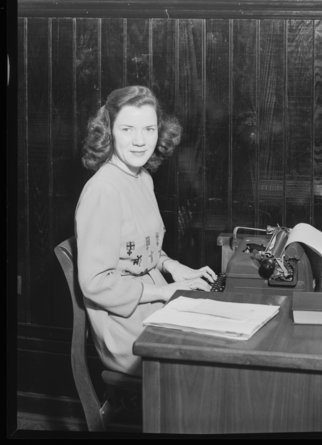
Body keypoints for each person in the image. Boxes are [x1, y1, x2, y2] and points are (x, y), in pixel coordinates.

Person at [75, 85, 217, 376]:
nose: (140, 141)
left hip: (152, 306)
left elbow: (140, 245)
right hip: (126, 330)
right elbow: (96, 283)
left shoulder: (142, 178)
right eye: (127, 129)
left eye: (149, 129)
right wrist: (164, 291)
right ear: (109, 131)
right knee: (213, 363)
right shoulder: (103, 190)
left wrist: (172, 266)